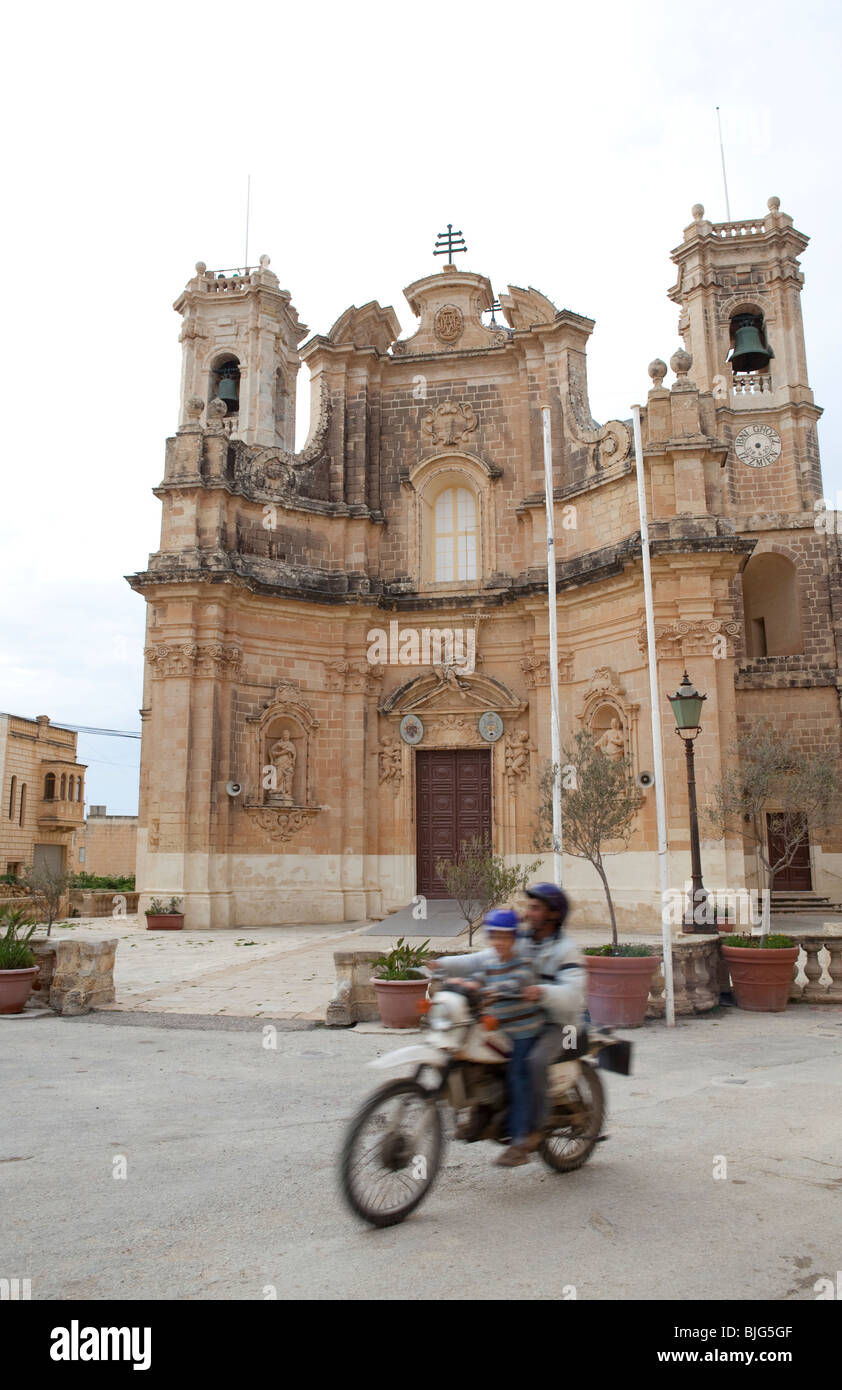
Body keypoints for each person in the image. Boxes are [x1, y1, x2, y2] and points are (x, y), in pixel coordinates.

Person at [440, 908, 544, 1168]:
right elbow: (478, 977)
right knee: (469, 1058)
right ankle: (481, 1115)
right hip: (498, 1027)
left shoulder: (523, 963)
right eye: (495, 936)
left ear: (514, 938)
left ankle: (520, 1142)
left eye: (505, 937)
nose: (499, 942)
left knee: (517, 1076)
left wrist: (496, 989)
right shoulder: (491, 962)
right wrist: (463, 984)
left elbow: (518, 983)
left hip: (523, 1031)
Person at [518, 884, 587, 1148]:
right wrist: (448, 968)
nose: (528, 913)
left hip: (560, 1023)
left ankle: (535, 1128)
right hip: (526, 1017)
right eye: (529, 907)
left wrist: (541, 992)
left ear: (553, 915)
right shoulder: (524, 942)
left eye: (535, 908)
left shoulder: (567, 950)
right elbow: (491, 959)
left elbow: (573, 995)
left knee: (534, 1061)